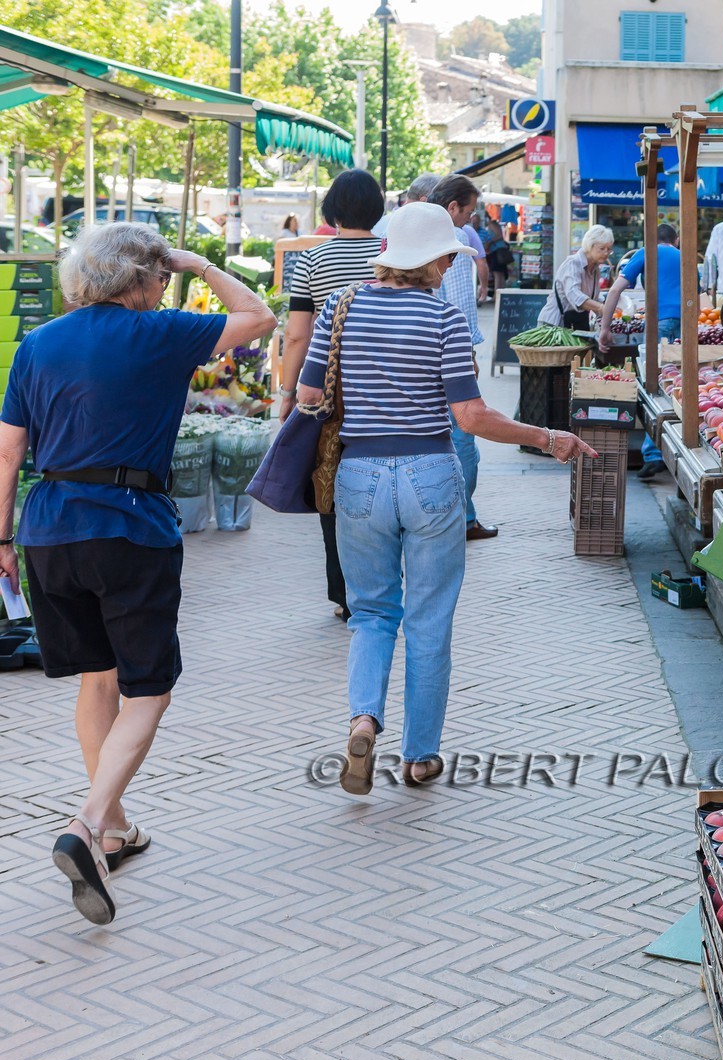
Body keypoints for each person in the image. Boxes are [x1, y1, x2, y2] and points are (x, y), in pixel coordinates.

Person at [0, 223, 276, 923]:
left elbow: (7, 454)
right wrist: (201, 264)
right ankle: (89, 823)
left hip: (49, 528)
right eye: (159, 276)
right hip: (129, 526)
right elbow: (259, 317)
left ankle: (115, 828)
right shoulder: (160, 333)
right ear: (139, 279)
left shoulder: (38, 344)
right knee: (149, 690)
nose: (162, 287)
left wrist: (1, 537)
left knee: (97, 679)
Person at [294, 203, 595, 794]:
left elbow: (308, 395)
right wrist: (546, 436)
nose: (450, 267)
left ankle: (363, 720)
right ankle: (419, 756)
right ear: (433, 260)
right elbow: (471, 416)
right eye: (448, 258)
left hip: (358, 476)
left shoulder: (341, 307)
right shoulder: (444, 318)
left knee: (372, 614)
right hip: (430, 473)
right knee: (428, 620)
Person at [278, 169, 387, 620]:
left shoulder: (313, 259)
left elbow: (297, 335)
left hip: (330, 391)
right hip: (389, 384)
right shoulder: (391, 253)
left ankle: (346, 594)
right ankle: (383, 585)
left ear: (333, 210)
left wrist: (287, 392)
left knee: (330, 481)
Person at [426, 176, 496, 540]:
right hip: (448, 354)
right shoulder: (450, 240)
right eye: (468, 212)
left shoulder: (419, 234)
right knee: (464, 432)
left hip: (428, 353)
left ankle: (450, 514)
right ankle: (463, 518)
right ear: (452, 207)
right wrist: (468, 353)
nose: (470, 220)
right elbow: (457, 305)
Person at [599, 223, 680, 480]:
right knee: (677, 387)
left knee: (653, 385)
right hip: (686, 324)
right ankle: (676, 450)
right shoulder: (684, 256)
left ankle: (654, 454)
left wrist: (604, 328)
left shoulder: (646, 252)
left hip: (659, 323)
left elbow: (616, 289)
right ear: (676, 240)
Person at [540, 224, 612, 327]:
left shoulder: (595, 269)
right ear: (590, 246)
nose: (606, 253)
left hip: (573, 323)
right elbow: (575, 295)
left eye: (609, 249)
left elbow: (594, 297)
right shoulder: (573, 263)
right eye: (602, 248)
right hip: (554, 324)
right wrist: (601, 308)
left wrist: (611, 305)